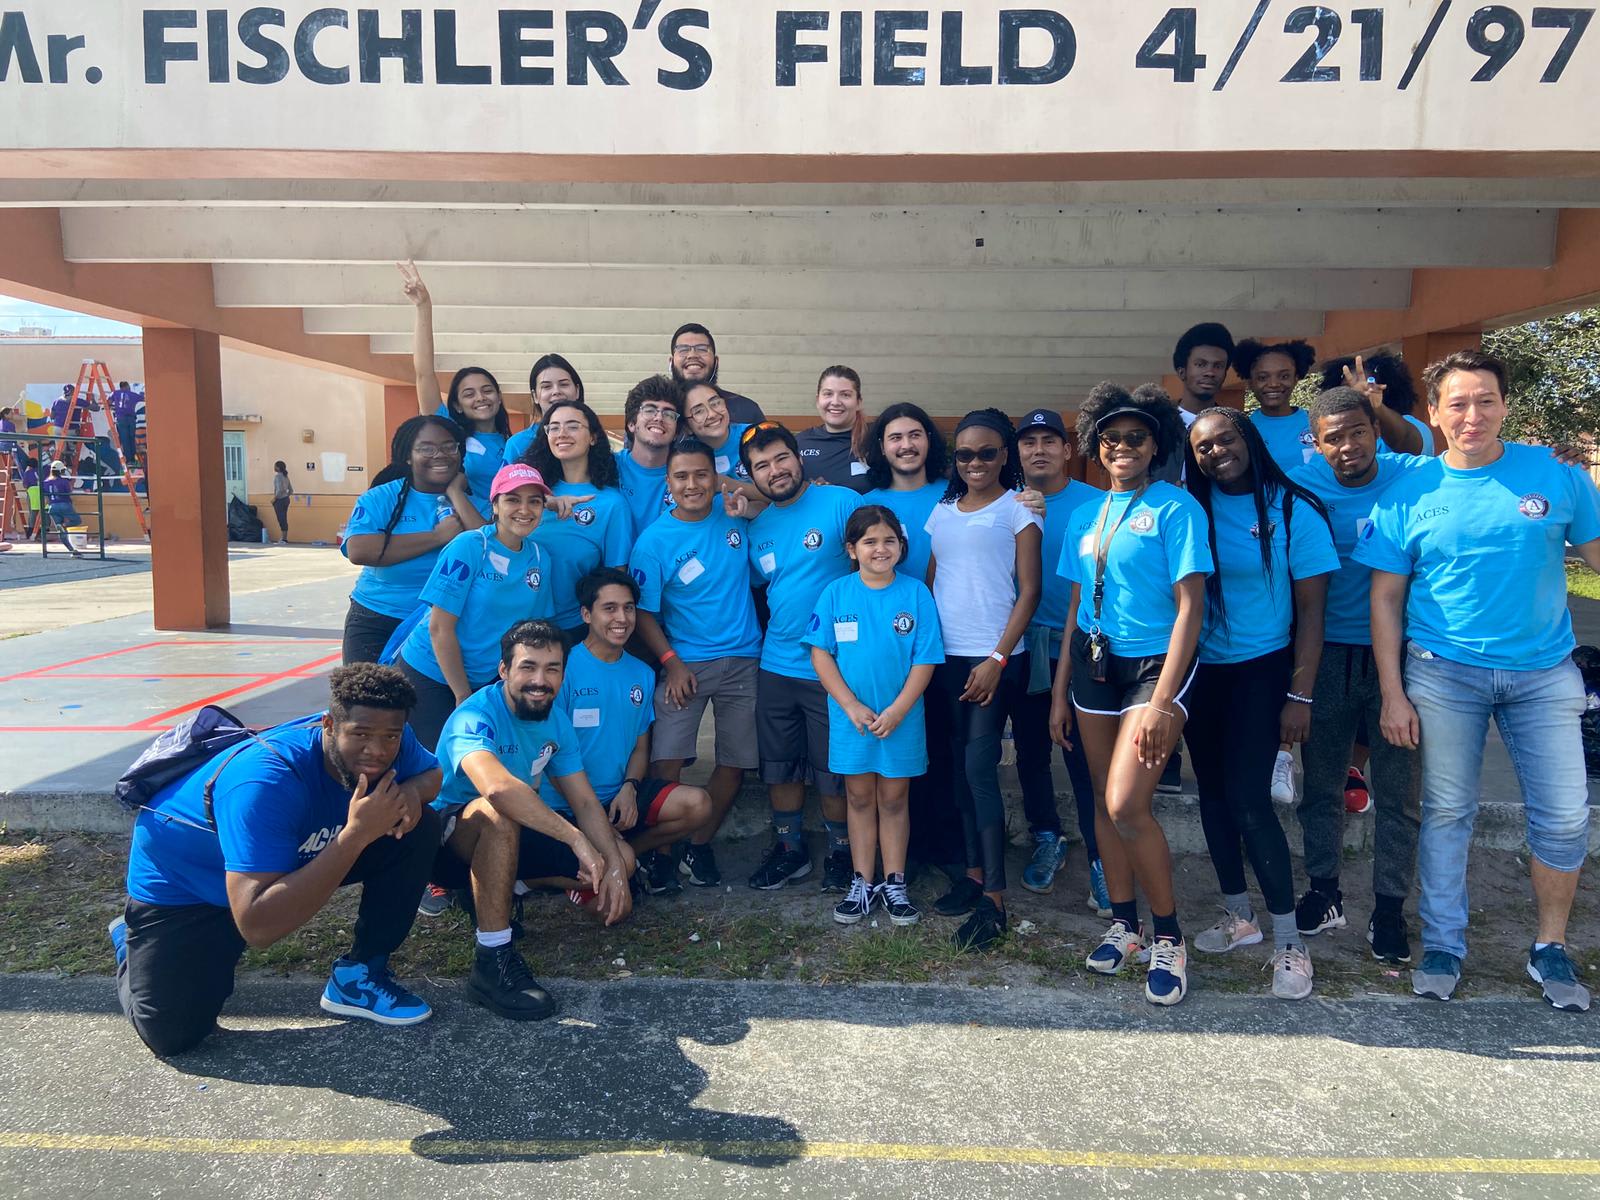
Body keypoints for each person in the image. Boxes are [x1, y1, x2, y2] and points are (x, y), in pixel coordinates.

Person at [1357, 349, 1600, 1012]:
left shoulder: (1556, 474)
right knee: (1447, 813)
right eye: (1457, 403)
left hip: (1545, 675)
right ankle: (1443, 943)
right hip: (1442, 675)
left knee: (1563, 818)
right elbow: (1385, 599)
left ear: (1504, 405)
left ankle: (1550, 947)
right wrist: (1392, 692)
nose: (1473, 415)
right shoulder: (1411, 491)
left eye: (1485, 400)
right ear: (1433, 414)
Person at [113, 664, 443, 1056]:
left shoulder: (391, 738)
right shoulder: (264, 782)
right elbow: (258, 926)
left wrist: (409, 794)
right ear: (329, 725)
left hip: (279, 859)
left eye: (390, 737)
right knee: (174, 1035)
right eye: (361, 735)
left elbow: (432, 774)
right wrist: (355, 836)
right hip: (190, 885)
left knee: (419, 824)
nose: (377, 751)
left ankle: (361, 973)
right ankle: (129, 939)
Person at [1050, 382, 1209, 1005]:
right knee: (1097, 798)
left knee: (1125, 804)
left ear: (1156, 444)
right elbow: (1070, 608)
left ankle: (1170, 936)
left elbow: (1190, 608)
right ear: (1095, 444)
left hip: (1153, 667)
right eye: (1111, 438)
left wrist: (1165, 700)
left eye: (1136, 437)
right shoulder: (1086, 512)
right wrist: (1061, 691)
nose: (1122, 447)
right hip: (1094, 664)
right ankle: (1126, 926)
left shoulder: (1176, 508)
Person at [1184, 407, 1340, 1001]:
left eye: (1226, 439)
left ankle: (1288, 942)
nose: (1216, 451)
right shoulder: (1189, 509)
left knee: (1251, 802)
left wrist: (1299, 694)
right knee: (1215, 798)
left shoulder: (1292, 507)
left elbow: (1313, 612)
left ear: (1248, 440)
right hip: (1204, 674)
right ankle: (1238, 916)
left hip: (1262, 670)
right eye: (1203, 446)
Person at [432, 620, 635, 1021]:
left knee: (623, 859)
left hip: (514, 834)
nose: (540, 680)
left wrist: (614, 872)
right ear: (504, 669)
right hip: (449, 844)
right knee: (499, 813)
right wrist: (576, 840)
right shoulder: (474, 716)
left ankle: (508, 887)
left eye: (552, 669)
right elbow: (497, 789)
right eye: (528, 667)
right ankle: (491, 961)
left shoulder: (555, 720)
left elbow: (585, 801)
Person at [1289, 386, 1427, 963]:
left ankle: (1389, 910)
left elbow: (1485, 466)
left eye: (1357, 432)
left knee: (1398, 793)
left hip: (1399, 656)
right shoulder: (1303, 484)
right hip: (1326, 655)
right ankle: (1324, 893)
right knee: (1321, 786)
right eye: (1333, 438)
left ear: (1375, 429)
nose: (1347, 447)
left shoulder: (1415, 473)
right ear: (1317, 446)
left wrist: (1559, 458)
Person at [925, 408, 1042, 951]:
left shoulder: (1019, 510)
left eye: (987, 452)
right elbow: (932, 585)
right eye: (965, 454)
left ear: (1006, 455)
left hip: (994, 659)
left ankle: (995, 896)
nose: (975, 462)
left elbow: (1030, 592)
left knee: (979, 768)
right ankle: (973, 876)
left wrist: (996, 659)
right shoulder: (942, 512)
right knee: (956, 769)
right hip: (944, 659)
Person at [628, 438, 763, 887]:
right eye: (681, 476)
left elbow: (773, 500)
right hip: (685, 664)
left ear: (715, 477)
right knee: (666, 762)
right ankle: (660, 854)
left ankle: (697, 845)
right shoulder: (653, 541)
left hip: (745, 659)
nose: (692, 484)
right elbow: (643, 612)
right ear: (668, 483)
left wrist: (740, 496)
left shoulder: (734, 515)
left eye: (701, 474)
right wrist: (671, 662)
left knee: (736, 761)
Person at [805, 506, 943, 925]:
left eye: (888, 541)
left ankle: (894, 882)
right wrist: (850, 705)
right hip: (853, 721)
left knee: (894, 799)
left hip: (901, 720)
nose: (879, 549)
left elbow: (925, 659)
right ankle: (862, 882)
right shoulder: (835, 594)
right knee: (859, 797)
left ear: (902, 546)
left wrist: (899, 709)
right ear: (852, 549)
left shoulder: (916, 593)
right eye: (869, 542)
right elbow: (821, 654)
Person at [742, 423, 864, 892]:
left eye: (780, 459)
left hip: (832, 668)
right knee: (779, 765)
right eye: (761, 466)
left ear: (798, 458)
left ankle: (840, 852)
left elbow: (873, 571)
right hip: (776, 665)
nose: (774, 471)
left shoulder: (841, 503)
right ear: (752, 474)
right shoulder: (758, 528)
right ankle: (789, 849)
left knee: (832, 771)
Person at [545, 568, 714, 896]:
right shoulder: (562, 669)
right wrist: (591, 814)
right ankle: (601, 859)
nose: (621, 617)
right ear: (586, 614)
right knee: (614, 886)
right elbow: (548, 755)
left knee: (697, 804)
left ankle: (627, 851)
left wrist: (630, 788)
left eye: (628, 608)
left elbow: (640, 748)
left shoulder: (641, 672)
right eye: (609, 608)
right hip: (568, 804)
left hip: (618, 799)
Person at [1009, 408, 1108, 912]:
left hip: (1084, 646)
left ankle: (1101, 857)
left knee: (1084, 756)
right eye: (1029, 442)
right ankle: (1047, 835)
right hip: (1024, 646)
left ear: (1069, 450)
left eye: (1050, 440)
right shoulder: (1003, 504)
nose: (1039, 450)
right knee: (1030, 751)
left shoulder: (1096, 502)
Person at [393, 464, 555, 750]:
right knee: (435, 767)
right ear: (494, 505)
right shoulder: (470, 546)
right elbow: (440, 628)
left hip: (485, 679)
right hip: (432, 673)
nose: (524, 509)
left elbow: (530, 633)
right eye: (513, 499)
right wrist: (462, 694)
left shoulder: (541, 558)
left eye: (534, 501)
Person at [861, 402, 959, 868]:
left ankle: (946, 848)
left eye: (915, 434)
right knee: (892, 753)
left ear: (929, 441)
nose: (906, 444)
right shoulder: (866, 502)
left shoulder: (955, 493)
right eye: (895, 437)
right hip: (885, 650)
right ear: (881, 447)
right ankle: (904, 856)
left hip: (948, 640)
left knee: (939, 746)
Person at [340, 415, 484, 665]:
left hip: (446, 623)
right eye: (426, 448)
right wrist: (437, 536)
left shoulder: (475, 501)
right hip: (378, 619)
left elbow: (491, 550)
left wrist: (455, 494)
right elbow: (359, 550)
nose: (439, 454)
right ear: (408, 455)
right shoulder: (381, 497)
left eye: (449, 446)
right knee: (365, 701)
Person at [399, 260, 510, 516]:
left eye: (487, 390)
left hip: (505, 534)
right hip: (457, 532)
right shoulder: (448, 433)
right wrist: (424, 307)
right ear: (457, 404)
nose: (480, 398)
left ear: (499, 396)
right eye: (469, 393)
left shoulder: (515, 443)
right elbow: (424, 373)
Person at [523, 399, 632, 641]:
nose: (562, 433)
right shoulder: (529, 491)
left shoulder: (612, 504)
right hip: (514, 620)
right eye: (553, 427)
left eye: (572, 426)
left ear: (593, 437)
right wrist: (540, 500)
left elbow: (615, 577)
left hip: (573, 628)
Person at [1152, 322, 1234, 487]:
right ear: (1182, 371)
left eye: (1218, 366)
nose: (1210, 372)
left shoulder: (1233, 429)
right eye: (1201, 364)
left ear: (1225, 374)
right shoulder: (1155, 426)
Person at [1318, 352, 1435, 456]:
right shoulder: (1330, 436)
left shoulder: (1412, 426)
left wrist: (1375, 406)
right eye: (1346, 390)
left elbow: (1405, 440)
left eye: (1369, 387)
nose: (1355, 395)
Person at [614, 374, 685, 534]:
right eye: (650, 410)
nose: (659, 417)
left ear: (676, 432)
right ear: (632, 423)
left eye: (669, 414)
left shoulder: (687, 477)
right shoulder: (606, 467)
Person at [669, 323, 764, 425]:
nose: (692, 355)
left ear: (716, 361)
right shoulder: (657, 412)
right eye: (683, 349)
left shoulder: (746, 410)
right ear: (671, 361)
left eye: (702, 349)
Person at [796, 365, 872, 493]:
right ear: (817, 400)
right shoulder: (800, 443)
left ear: (858, 402)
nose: (835, 402)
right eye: (828, 394)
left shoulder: (874, 440)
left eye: (845, 395)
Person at [503, 352, 582, 462]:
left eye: (564, 384)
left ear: (577, 390)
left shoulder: (593, 437)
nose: (556, 391)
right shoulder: (517, 444)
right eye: (546, 386)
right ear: (535, 396)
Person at [684, 383, 751, 483]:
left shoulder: (753, 436)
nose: (712, 414)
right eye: (698, 411)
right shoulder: (684, 456)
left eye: (715, 403)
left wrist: (731, 485)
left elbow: (776, 490)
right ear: (686, 427)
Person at [42, 460, 83, 558]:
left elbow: (46, 496)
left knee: (61, 531)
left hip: (52, 506)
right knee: (77, 520)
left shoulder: (45, 482)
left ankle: (72, 550)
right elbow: (68, 493)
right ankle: (64, 525)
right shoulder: (64, 481)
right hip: (64, 504)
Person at [110, 380, 141, 469]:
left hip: (121, 419)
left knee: (125, 439)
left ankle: (129, 460)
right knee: (132, 438)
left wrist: (115, 407)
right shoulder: (133, 394)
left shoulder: (115, 393)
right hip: (131, 419)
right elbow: (145, 398)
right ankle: (134, 459)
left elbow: (108, 402)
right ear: (127, 386)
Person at [271, 460, 294, 544]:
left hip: (279, 500)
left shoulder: (278, 477)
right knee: (284, 518)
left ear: (278, 467)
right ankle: (284, 538)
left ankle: (283, 538)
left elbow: (279, 490)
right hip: (286, 500)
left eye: (275, 466)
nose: (274, 468)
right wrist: (286, 496)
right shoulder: (286, 476)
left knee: (281, 519)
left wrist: (275, 498)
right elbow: (291, 490)